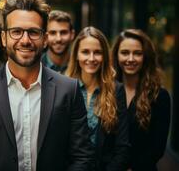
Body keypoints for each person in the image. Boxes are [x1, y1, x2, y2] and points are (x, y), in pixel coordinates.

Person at [0, 0, 94, 171]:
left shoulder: (69, 89)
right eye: (16, 32)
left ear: (45, 39)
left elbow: (82, 156)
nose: (25, 40)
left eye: (33, 32)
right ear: (4, 38)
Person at [65, 26, 130, 171]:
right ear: (76, 54)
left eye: (98, 52)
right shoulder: (64, 87)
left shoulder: (116, 90)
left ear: (105, 56)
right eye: (85, 52)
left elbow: (122, 147)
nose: (91, 58)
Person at [112, 29, 171, 171]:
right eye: (125, 53)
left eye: (137, 53)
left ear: (146, 57)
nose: (131, 59)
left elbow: (157, 148)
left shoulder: (159, 96)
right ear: (116, 55)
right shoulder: (107, 90)